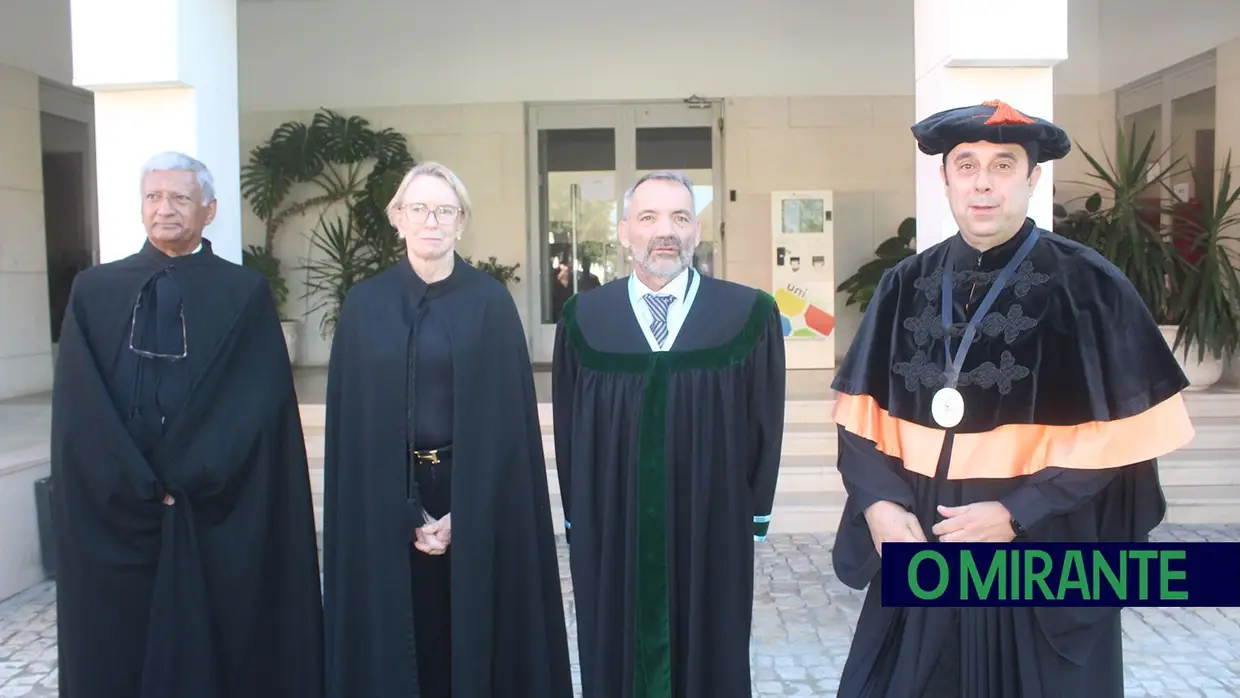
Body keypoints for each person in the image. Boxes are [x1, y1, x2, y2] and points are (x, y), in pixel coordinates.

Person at [830, 100, 1196, 697]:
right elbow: (857, 421)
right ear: (945, 178)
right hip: (927, 537)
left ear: (1032, 178)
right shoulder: (905, 285)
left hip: (1042, 544)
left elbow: (1125, 438)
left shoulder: (1090, 285)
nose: (982, 182)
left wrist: (1016, 513)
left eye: (1003, 165)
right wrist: (879, 507)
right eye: (966, 164)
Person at [50, 151, 324, 698]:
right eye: (154, 197)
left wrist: (187, 476)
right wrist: (135, 481)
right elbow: (81, 405)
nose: (165, 209)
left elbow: (255, 403)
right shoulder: (94, 292)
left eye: (180, 197)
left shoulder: (243, 293)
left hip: (216, 502)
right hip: (120, 505)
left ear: (210, 209)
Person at [321, 161, 574, 698]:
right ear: (397, 218)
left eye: (445, 210)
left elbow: (509, 429)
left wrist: (466, 510)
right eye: (418, 209)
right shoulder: (365, 306)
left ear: (462, 223)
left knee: (472, 634)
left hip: (474, 493)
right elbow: (355, 430)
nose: (431, 221)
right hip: (387, 497)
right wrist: (405, 511)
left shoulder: (490, 303)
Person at [552, 170, 787, 698]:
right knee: (616, 648)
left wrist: (752, 514)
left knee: (711, 651)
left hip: (711, 522)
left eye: (679, 217)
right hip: (616, 524)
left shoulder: (747, 314)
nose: (666, 231)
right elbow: (568, 428)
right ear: (622, 231)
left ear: (696, 230)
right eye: (649, 217)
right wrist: (578, 516)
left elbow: (763, 425)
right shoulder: (584, 319)